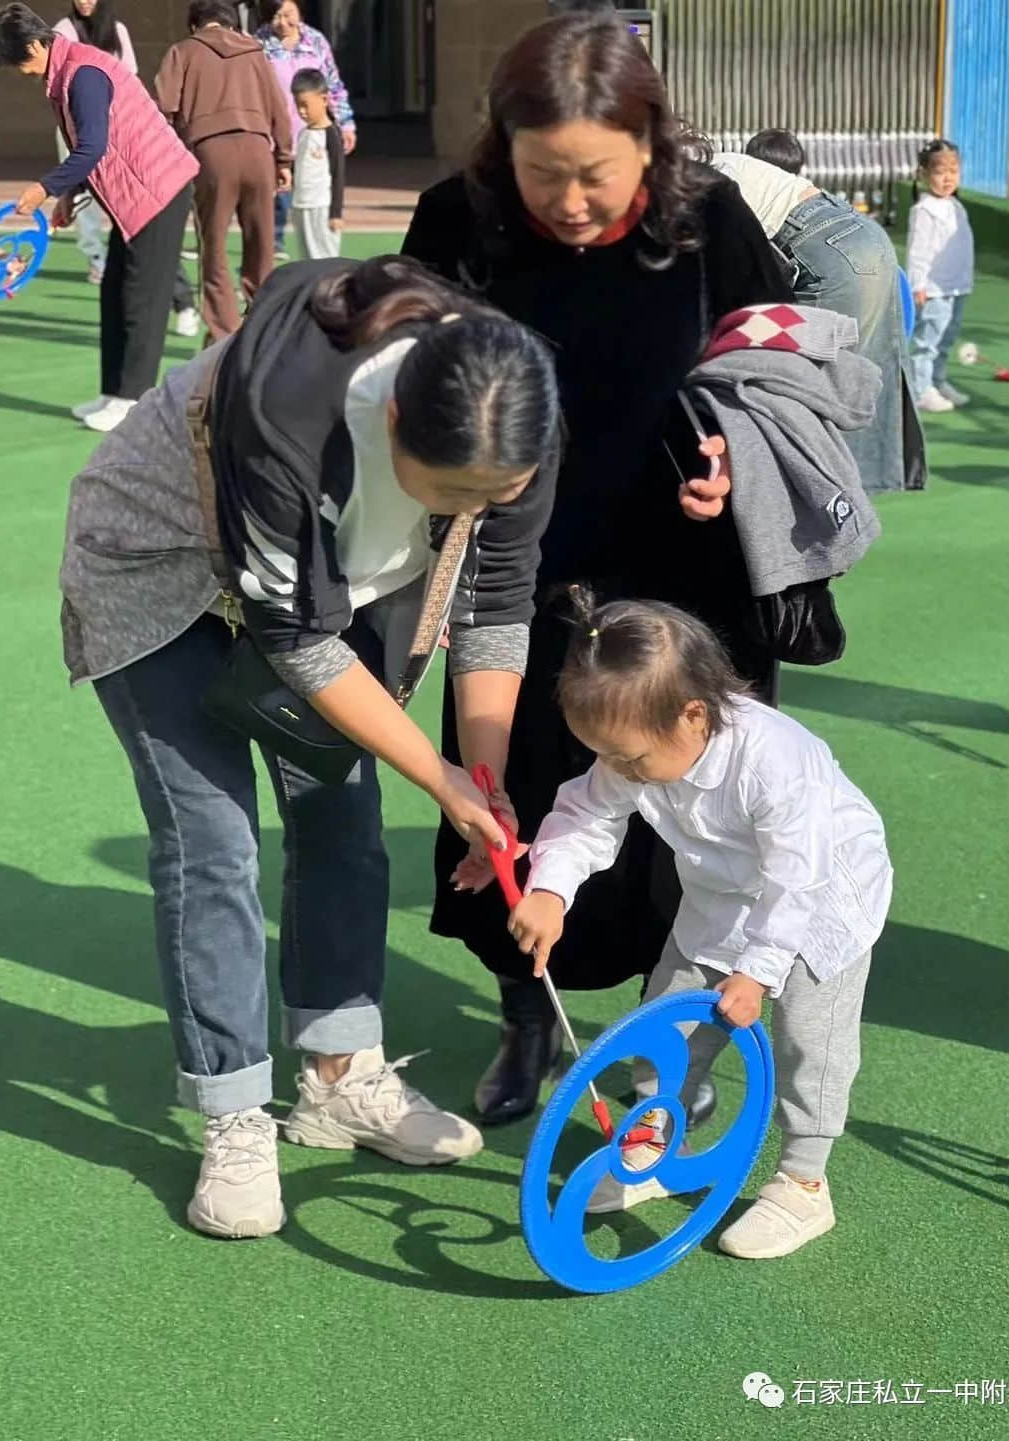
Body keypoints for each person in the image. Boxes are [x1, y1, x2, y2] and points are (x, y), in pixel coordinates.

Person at [59, 254, 562, 1238]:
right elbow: (293, 636)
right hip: (161, 575)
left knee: (344, 815)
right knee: (213, 844)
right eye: (451, 493)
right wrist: (439, 774)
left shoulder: (515, 403)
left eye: (492, 496)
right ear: (390, 426)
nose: (471, 513)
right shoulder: (293, 401)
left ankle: (337, 1080)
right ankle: (232, 1116)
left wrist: (485, 788)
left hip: (322, 593)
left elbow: (497, 604)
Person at [402, 10, 797, 1126]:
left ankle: (671, 1038)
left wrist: (740, 462)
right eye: (544, 175)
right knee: (516, 793)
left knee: (699, 813)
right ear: (502, 149)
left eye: (596, 177)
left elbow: (788, 366)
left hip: (692, 570)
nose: (571, 204)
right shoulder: (457, 220)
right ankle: (528, 1015)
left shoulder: (706, 217)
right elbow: (405, 383)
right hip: (517, 569)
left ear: (650, 146)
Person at [508, 592, 892, 1258]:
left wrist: (758, 970)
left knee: (811, 1042)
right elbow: (585, 816)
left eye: (629, 760)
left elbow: (797, 876)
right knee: (668, 1021)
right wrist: (549, 889)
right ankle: (659, 1139)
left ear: (693, 714)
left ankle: (804, 1181)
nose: (620, 771)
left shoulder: (774, 759)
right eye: (607, 756)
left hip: (821, 903)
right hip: (717, 896)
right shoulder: (640, 742)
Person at [0, 3, 199, 432]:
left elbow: (92, 148)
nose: (20, 72)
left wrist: (45, 189)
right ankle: (112, 393)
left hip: (161, 191)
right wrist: (70, 194)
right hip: (135, 199)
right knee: (114, 293)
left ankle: (133, 401)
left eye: (18, 62)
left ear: (34, 45)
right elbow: (97, 150)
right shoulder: (66, 71)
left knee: (142, 299)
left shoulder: (83, 73)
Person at [708, 140, 925, 493]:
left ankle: (816, 505)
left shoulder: (703, 183)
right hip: (865, 236)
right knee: (859, 378)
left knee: (803, 390)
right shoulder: (728, 164)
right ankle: (851, 502)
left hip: (826, 250)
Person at [155, 0, 292, 341]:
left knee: (213, 246)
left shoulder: (183, 51)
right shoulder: (256, 52)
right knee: (261, 245)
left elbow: (162, 109)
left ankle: (222, 332)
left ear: (194, 25)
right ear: (233, 25)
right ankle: (262, 324)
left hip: (211, 154)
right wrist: (284, 161)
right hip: (259, 151)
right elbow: (280, 110)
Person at [255, 0, 355, 260]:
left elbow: (332, 85)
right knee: (279, 188)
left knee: (313, 183)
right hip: (275, 131)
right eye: (275, 16)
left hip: (310, 131)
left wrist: (345, 123)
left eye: (288, 14)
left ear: (300, 10)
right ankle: (275, 240)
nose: (282, 22)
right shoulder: (260, 42)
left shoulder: (316, 41)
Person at [51, 0, 134, 283]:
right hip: (75, 127)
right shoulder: (63, 30)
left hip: (115, 127)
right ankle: (95, 257)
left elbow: (130, 77)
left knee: (118, 192)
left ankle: (122, 254)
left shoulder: (117, 30)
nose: (84, 0)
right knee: (79, 194)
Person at [907, 139, 974, 414]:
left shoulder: (956, 206)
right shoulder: (923, 211)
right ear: (924, 174)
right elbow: (917, 251)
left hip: (957, 285)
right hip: (934, 288)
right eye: (940, 171)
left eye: (954, 171)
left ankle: (937, 380)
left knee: (947, 337)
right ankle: (921, 390)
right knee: (928, 340)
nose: (948, 178)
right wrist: (918, 284)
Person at [289, 67, 343, 259]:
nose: (302, 112)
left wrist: (336, 213)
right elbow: (299, 165)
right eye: (298, 106)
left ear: (324, 99)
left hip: (321, 206)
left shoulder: (332, 134)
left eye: (306, 105)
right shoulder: (304, 133)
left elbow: (338, 175)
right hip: (301, 205)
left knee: (324, 256)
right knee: (307, 255)